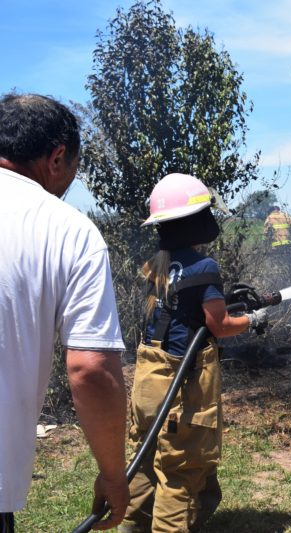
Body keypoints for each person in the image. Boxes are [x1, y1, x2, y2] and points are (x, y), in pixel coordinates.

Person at [0, 93, 129, 531]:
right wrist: (114, 475)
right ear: (57, 157)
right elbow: (91, 369)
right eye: (74, 168)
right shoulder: (66, 229)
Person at [121, 173, 270, 533]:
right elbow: (217, 325)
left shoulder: (156, 265)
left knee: (144, 465)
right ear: (195, 221)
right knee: (181, 474)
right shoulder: (204, 268)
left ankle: (130, 528)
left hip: (146, 386)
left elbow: (179, 314)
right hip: (179, 387)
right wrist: (251, 320)